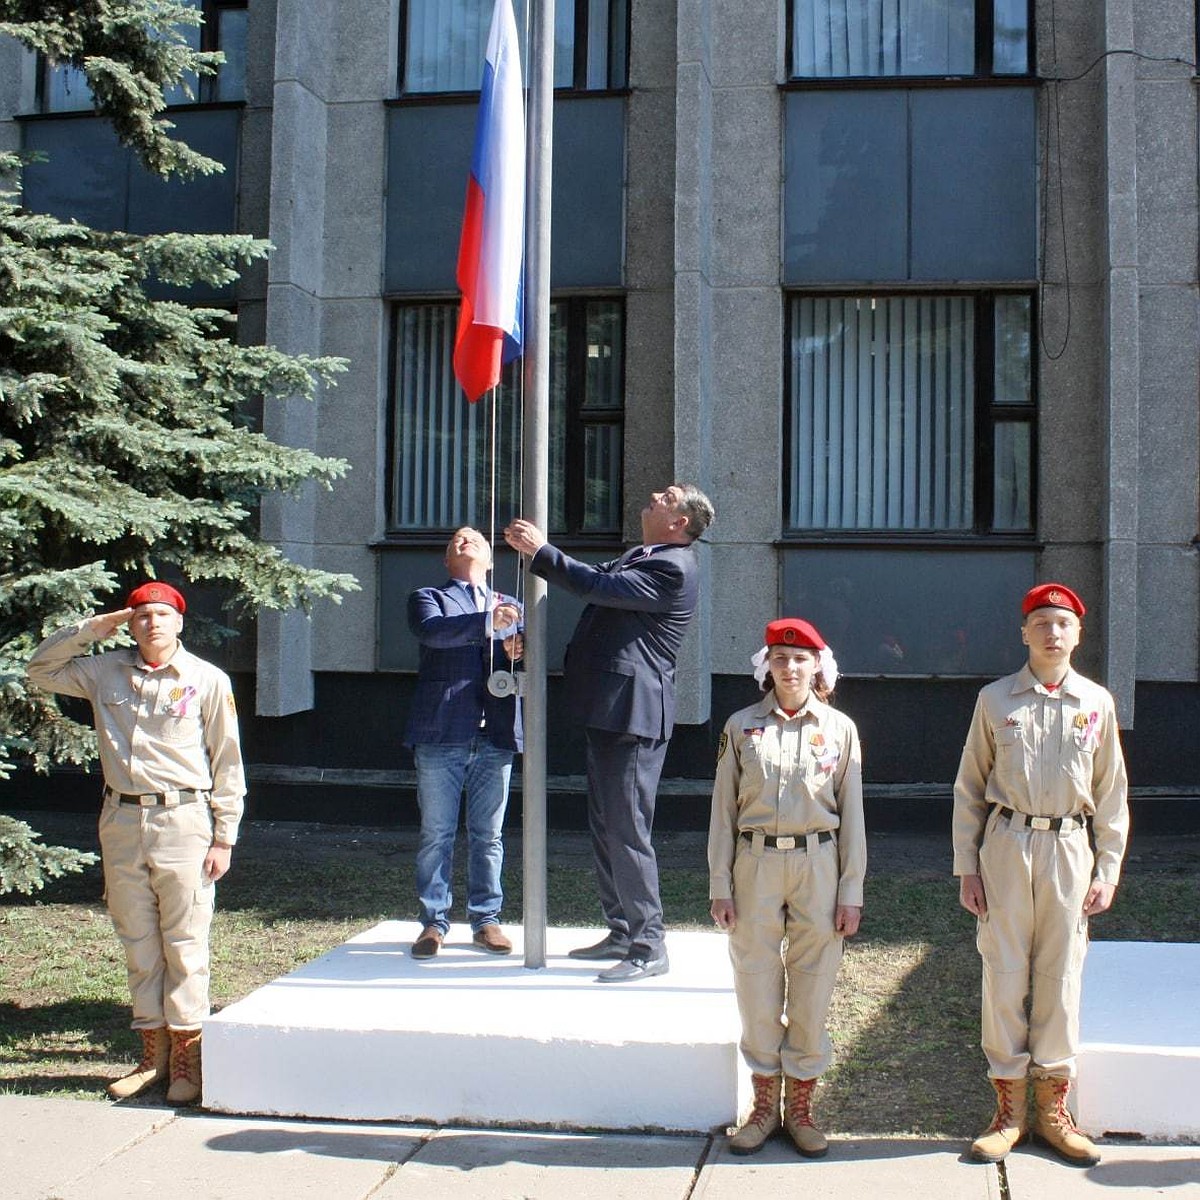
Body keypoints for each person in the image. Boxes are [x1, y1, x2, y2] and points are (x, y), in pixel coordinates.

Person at [26, 581, 245, 1105]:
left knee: (185, 941)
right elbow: (40, 670)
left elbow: (228, 761)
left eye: (161, 615)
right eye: (141, 615)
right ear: (130, 623)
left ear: (179, 623)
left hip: (184, 820)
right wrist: (94, 628)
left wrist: (224, 837)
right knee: (139, 940)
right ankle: (153, 1055)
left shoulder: (206, 680)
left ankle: (188, 1059)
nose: (151, 624)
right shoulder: (105, 671)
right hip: (121, 821)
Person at [504, 483, 715, 983]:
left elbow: (599, 587)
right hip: (610, 709)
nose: (657, 492)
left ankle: (648, 945)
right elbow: (597, 577)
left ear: (680, 521)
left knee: (628, 830)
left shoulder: (674, 566)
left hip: (634, 715)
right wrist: (544, 557)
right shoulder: (644, 553)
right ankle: (622, 930)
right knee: (606, 826)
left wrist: (542, 551)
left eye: (669, 494)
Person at [953, 583, 1129, 1167]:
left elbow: (1110, 796)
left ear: (1078, 633)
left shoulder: (1096, 703)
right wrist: (967, 868)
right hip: (1006, 846)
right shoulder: (995, 700)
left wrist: (1107, 869)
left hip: (1069, 850)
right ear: (1023, 633)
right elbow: (969, 790)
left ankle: (1053, 1110)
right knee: (1004, 974)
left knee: (1060, 976)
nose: (1052, 633)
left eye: (1062, 623)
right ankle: (1008, 1111)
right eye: (1041, 623)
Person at [708, 618, 865, 1157]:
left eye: (800, 659)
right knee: (755, 982)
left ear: (817, 665)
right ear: (766, 665)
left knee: (813, 984)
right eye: (779, 657)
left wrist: (851, 891)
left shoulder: (840, 729)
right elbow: (722, 813)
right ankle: (761, 1107)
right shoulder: (740, 726)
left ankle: (800, 1110)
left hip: (818, 862)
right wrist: (719, 884)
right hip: (754, 864)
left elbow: (854, 816)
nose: (790, 667)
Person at [405, 526, 523, 959]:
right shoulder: (428, 597)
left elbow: (525, 659)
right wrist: (486, 624)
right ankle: (433, 923)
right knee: (436, 833)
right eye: (455, 539)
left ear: (491, 560)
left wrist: (518, 649)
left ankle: (486, 920)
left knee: (488, 836)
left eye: (474, 537)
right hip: (441, 733)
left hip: (495, 734)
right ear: (445, 559)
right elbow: (433, 632)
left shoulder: (511, 605)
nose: (464, 540)